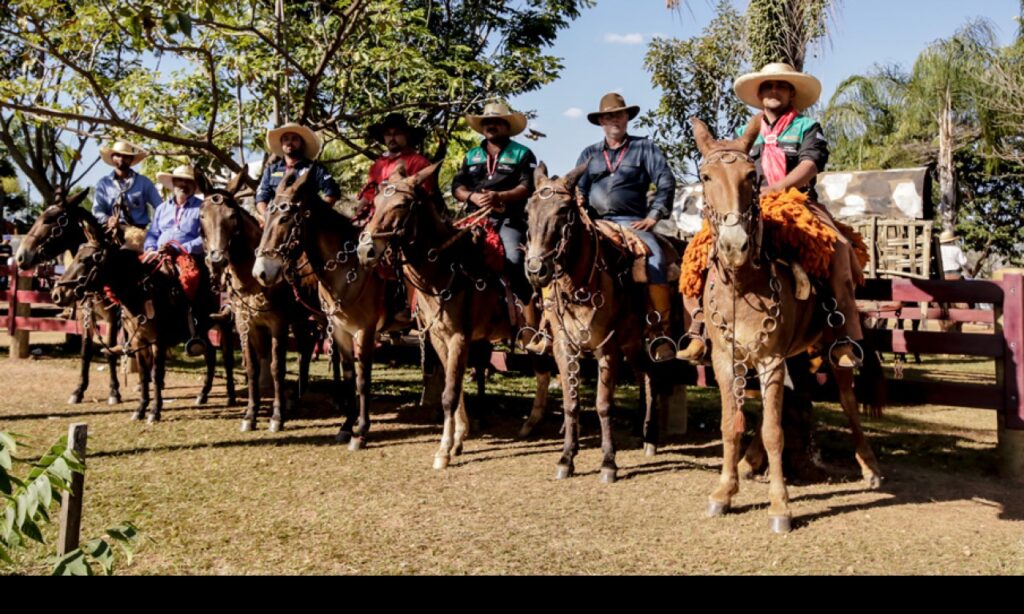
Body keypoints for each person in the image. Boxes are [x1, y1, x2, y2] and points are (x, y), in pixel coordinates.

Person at [573, 92, 677, 362]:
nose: (613, 120)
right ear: (601, 122)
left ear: (626, 118)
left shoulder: (644, 148)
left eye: (618, 114)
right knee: (562, 256)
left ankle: (660, 331)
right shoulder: (589, 154)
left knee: (654, 259)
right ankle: (554, 326)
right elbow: (578, 186)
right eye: (608, 116)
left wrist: (654, 216)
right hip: (595, 223)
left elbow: (665, 180)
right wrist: (578, 197)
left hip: (632, 222)